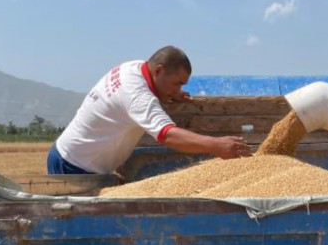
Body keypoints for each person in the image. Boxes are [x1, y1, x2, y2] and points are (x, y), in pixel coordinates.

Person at [48, 46, 251, 175]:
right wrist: (216, 145)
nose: (179, 90)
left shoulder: (133, 67)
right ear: (158, 71)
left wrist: (170, 93)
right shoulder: (137, 96)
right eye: (176, 83)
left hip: (69, 153)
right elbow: (167, 136)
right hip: (74, 168)